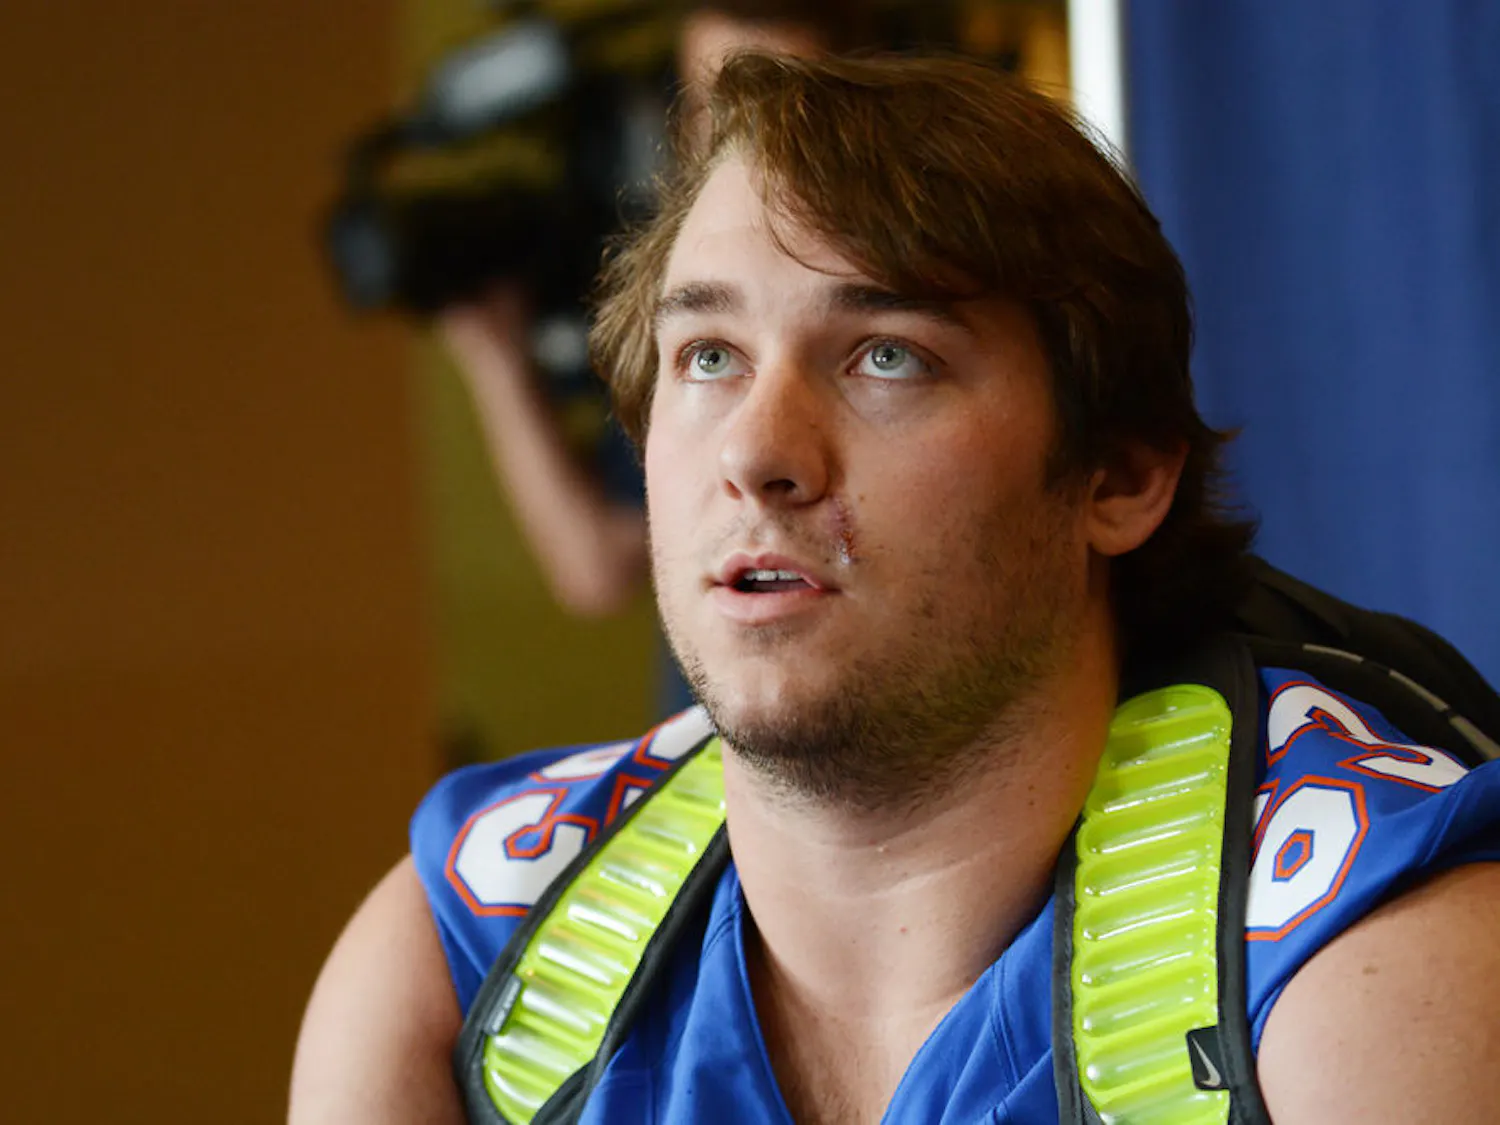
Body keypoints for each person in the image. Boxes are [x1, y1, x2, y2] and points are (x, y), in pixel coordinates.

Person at [289, 53, 1500, 1123]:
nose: (757, 454)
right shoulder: (467, 959)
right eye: (708, 355)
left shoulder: (1375, 971)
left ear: (1120, 476)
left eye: (887, 358)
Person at [436, 2, 877, 715]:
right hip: (725, 754)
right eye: (710, 106)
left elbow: (592, 570)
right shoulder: (689, 318)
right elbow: (594, 560)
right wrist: (495, 353)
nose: (732, 144)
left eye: (776, 106)